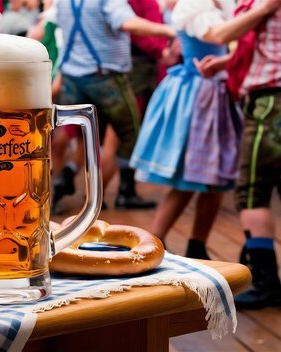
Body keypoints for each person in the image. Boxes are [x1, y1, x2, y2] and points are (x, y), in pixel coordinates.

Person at [131, 0, 243, 261]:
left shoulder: (222, 5)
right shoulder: (192, 5)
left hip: (216, 91)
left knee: (215, 180)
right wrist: (259, 17)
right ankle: (154, 241)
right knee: (186, 177)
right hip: (197, 93)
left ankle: (197, 245)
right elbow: (218, 35)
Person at [47, 0, 174, 210]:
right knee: (129, 133)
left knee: (83, 138)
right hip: (105, 78)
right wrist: (170, 30)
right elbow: (128, 22)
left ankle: (65, 181)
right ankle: (121, 191)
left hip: (72, 78)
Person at [194, 0, 281, 309]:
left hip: (271, 103)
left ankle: (265, 282)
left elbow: (219, 34)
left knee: (252, 192)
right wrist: (226, 62)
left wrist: (263, 8)